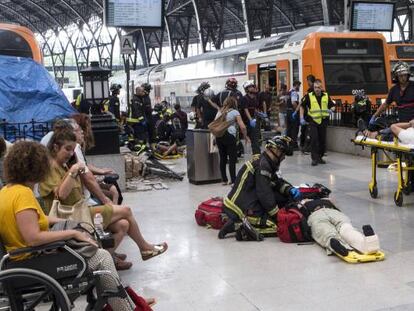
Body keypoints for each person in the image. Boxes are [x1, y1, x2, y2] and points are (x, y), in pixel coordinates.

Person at [0, 141, 139, 310]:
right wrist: (72, 234)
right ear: (37, 167)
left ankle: (124, 305)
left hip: (20, 261)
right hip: (33, 262)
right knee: (102, 258)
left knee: (97, 254)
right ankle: (125, 307)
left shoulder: (7, 191)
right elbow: (33, 238)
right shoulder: (23, 194)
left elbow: (37, 219)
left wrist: (72, 224)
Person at [39, 130, 168, 266]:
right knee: (126, 210)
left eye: (72, 150)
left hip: (80, 212)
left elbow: (85, 180)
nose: (71, 153)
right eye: (67, 149)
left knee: (123, 224)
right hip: (70, 218)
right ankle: (145, 248)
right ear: (55, 147)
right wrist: (73, 170)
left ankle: (102, 261)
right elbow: (62, 194)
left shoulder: (64, 165)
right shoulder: (51, 168)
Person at [218, 136, 302, 239]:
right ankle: (237, 226)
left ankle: (240, 223)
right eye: (283, 153)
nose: (283, 157)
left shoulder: (265, 161)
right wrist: (277, 215)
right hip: (238, 208)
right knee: (278, 227)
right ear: (275, 150)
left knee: (283, 198)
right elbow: (264, 194)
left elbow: (275, 182)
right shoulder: (263, 165)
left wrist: (289, 189)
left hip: (245, 199)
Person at [297, 198, 380, 256]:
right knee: (336, 230)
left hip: (326, 213)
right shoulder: (301, 203)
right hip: (321, 214)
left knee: (342, 229)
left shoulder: (306, 202)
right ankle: (339, 245)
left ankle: (369, 243)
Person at [300, 79, 335, 166]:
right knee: (314, 139)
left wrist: (331, 110)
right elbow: (302, 106)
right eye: (315, 87)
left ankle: (320, 157)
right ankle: (314, 159)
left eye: (318, 87)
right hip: (313, 121)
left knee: (322, 141)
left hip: (323, 121)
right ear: (313, 87)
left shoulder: (326, 95)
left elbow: (333, 106)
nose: (317, 89)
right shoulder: (309, 96)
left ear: (321, 87)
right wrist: (301, 118)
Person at [215, 97, 249, 185]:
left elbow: (215, 124)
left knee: (223, 158)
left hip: (219, 136)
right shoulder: (235, 112)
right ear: (234, 103)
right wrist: (245, 136)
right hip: (230, 136)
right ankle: (233, 180)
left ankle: (224, 180)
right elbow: (243, 126)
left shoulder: (219, 111)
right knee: (232, 159)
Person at [240, 80, 261, 155]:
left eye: (253, 86)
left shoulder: (255, 98)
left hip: (254, 119)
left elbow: (254, 108)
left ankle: (256, 153)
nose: (252, 88)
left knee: (256, 138)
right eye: (250, 87)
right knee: (251, 138)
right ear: (246, 89)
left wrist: (259, 114)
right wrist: (251, 120)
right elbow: (246, 110)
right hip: (247, 121)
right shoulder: (244, 98)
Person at [286, 80, 301, 149]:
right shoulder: (294, 93)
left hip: (288, 112)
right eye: (299, 86)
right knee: (295, 128)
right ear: (296, 85)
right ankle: (294, 145)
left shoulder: (288, 92)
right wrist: (296, 110)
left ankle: (288, 144)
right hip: (293, 112)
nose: (299, 87)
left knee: (289, 129)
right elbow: (293, 103)